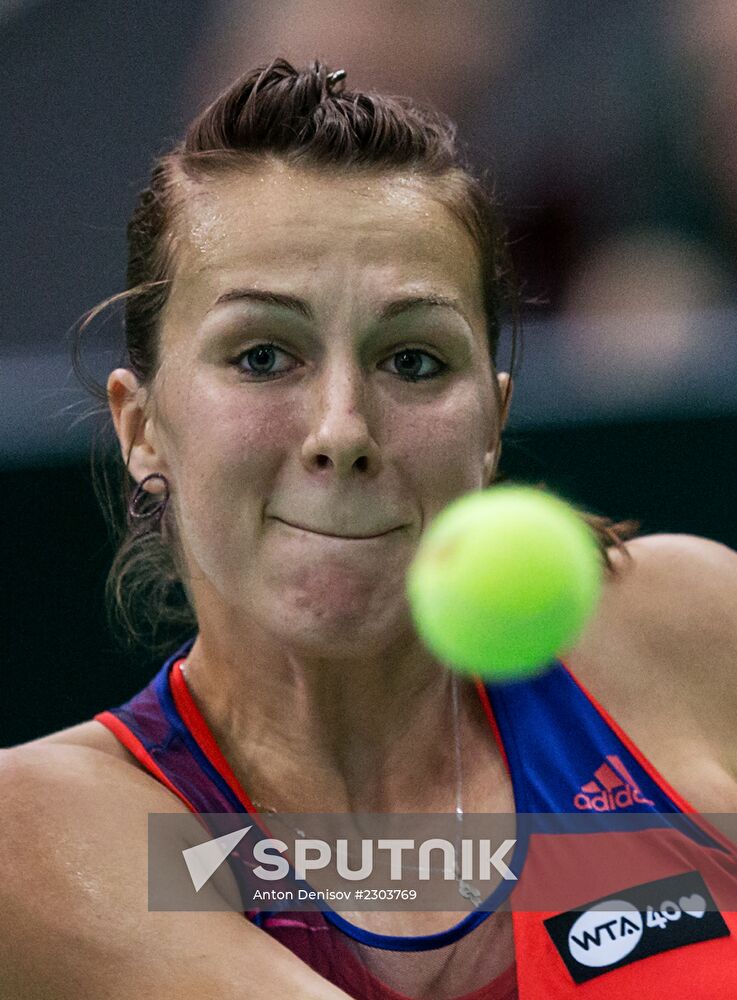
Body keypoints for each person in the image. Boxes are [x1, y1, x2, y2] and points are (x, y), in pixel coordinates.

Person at [2, 57, 737, 1000]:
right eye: (263, 356)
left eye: (416, 361)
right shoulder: (43, 829)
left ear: (490, 426)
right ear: (141, 427)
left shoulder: (687, 631)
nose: (342, 430)